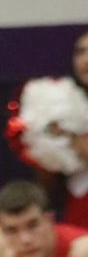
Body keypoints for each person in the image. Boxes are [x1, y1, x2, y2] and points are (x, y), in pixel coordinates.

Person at [6, 31, 88, 229]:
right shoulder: (59, 101)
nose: (86, 59)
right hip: (79, 205)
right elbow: (46, 183)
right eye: (80, 52)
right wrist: (46, 149)